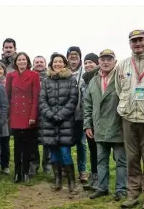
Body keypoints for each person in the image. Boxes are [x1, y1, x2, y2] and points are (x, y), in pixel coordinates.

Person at [83, 49, 127, 201]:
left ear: (115, 61)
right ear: (99, 62)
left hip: (118, 127)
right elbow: (87, 104)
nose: (106, 62)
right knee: (101, 160)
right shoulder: (94, 81)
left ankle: (121, 190)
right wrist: (87, 125)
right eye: (103, 59)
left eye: (109, 59)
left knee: (121, 160)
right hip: (99, 128)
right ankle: (102, 188)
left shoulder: (122, 78)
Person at [115, 29, 144, 209]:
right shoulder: (123, 65)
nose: (137, 44)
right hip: (128, 118)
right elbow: (119, 90)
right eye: (133, 41)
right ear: (129, 44)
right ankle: (133, 194)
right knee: (132, 159)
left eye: (140, 40)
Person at [38, 53, 78, 194]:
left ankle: (72, 182)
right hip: (49, 122)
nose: (58, 64)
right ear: (52, 64)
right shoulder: (46, 80)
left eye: (60, 62)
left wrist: (60, 115)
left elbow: (73, 99)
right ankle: (57, 181)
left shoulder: (71, 79)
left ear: (64, 64)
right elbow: (42, 100)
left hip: (65, 122)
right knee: (53, 152)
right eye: (55, 62)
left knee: (65, 152)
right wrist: (50, 115)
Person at [6, 52, 40, 183]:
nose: (21, 62)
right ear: (16, 62)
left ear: (27, 62)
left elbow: (36, 98)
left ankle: (26, 172)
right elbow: (7, 96)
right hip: (15, 113)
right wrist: (8, 114)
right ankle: (17, 173)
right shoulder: (11, 76)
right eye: (19, 60)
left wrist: (33, 116)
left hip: (28, 114)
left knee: (27, 146)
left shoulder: (34, 75)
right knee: (17, 145)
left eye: (24, 60)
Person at [66, 46, 88, 183]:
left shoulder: (85, 72)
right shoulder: (64, 71)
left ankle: (82, 170)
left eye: (76, 56)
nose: (73, 58)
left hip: (81, 114)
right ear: (67, 57)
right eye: (71, 56)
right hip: (66, 115)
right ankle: (66, 169)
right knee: (65, 143)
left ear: (80, 57)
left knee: (81, 143)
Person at [30, 55, 52, 175]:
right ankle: (34, 164)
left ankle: (47, 165)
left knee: (47, 140)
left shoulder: (50, 76)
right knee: (33, 140)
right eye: (37, 62)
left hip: (47, 113)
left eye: (41, 62)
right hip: (33, 112)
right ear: (33, 64)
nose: (39, 64)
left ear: (45, 63)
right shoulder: (29, 76)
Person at [82, 52, 100, 191]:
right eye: (86, 63)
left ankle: (101, 179)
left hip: (102, 120)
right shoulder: (85, 80)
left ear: (97, 63)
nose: (88, 65)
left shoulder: (101, 77)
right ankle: (94, 177)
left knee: (103, 152)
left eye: (91, 62)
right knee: (93, 151)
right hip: (89, 120)